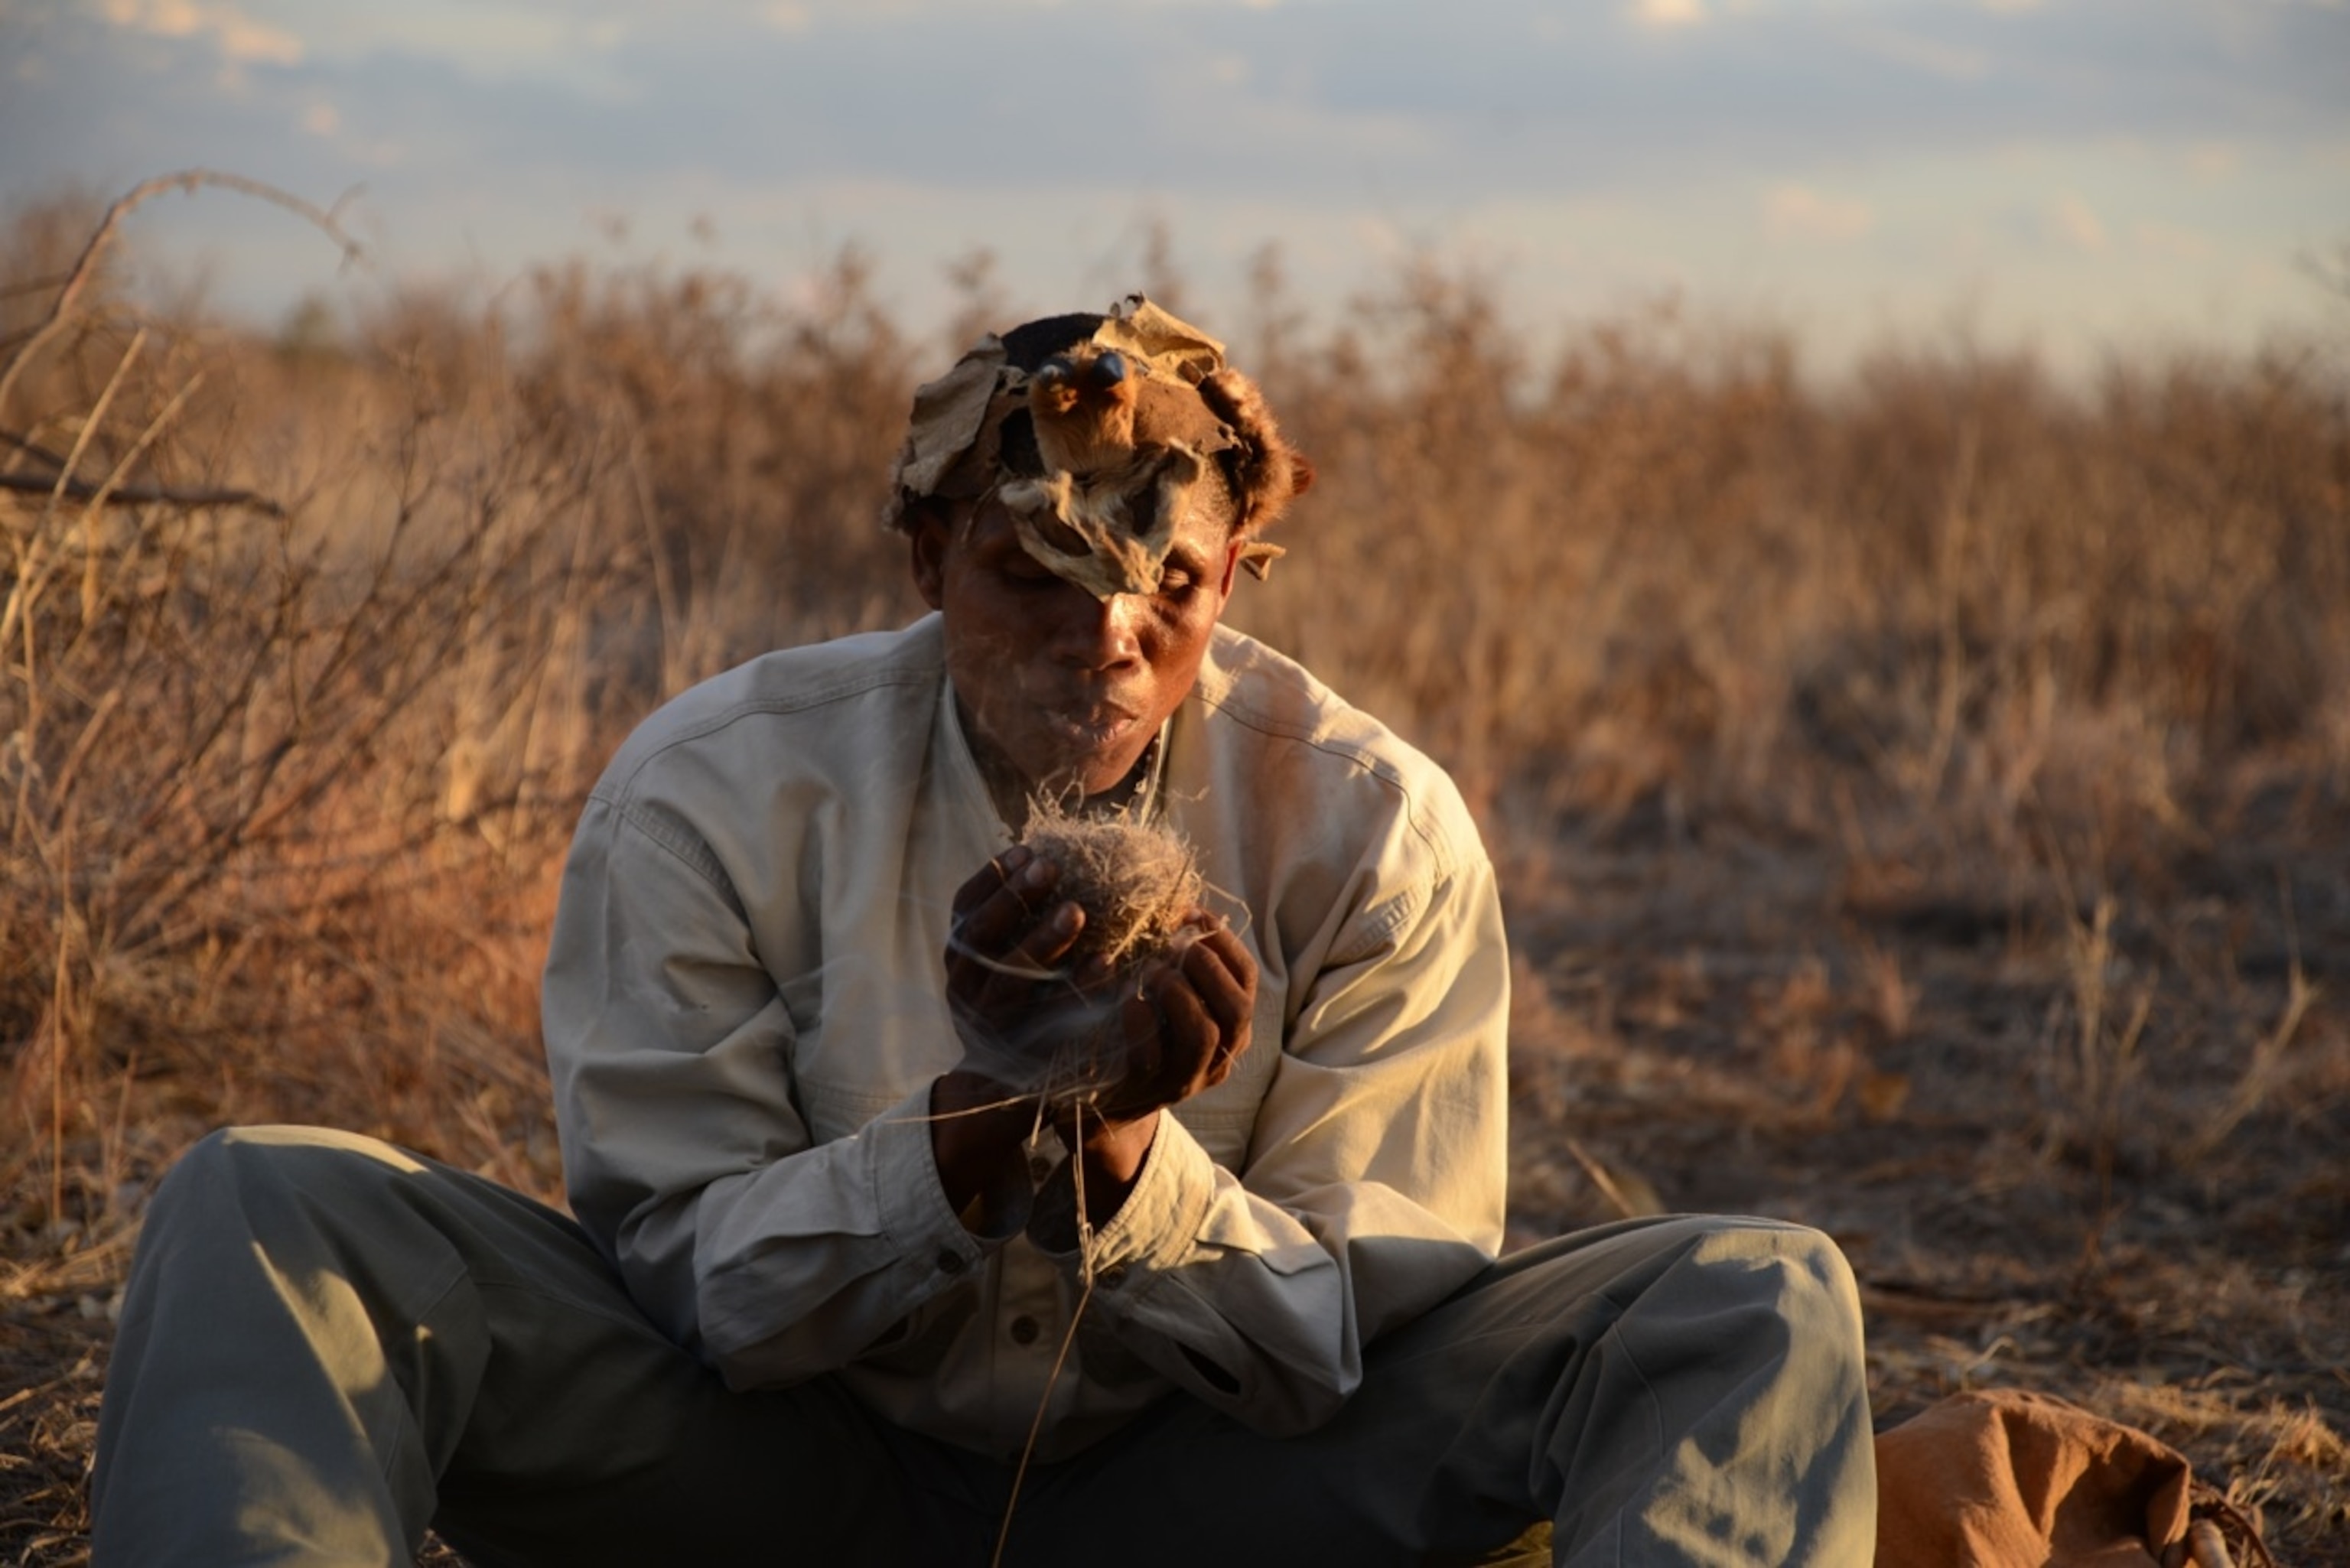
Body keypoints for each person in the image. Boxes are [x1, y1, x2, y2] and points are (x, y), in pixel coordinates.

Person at [90, 298, 1876, 1566]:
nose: (1109, 634)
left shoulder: (1372, 825)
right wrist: (966, 1144)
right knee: (262, 1201)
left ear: (1237, 574)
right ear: (926, 553)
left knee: (1749, 1294)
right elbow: (690, 1285)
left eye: (1168, 585)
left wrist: (1112, 1157)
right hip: (788, 1479)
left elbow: (1344, 1340)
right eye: (1037, 570)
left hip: (1211, 1493)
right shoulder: (713, 786)